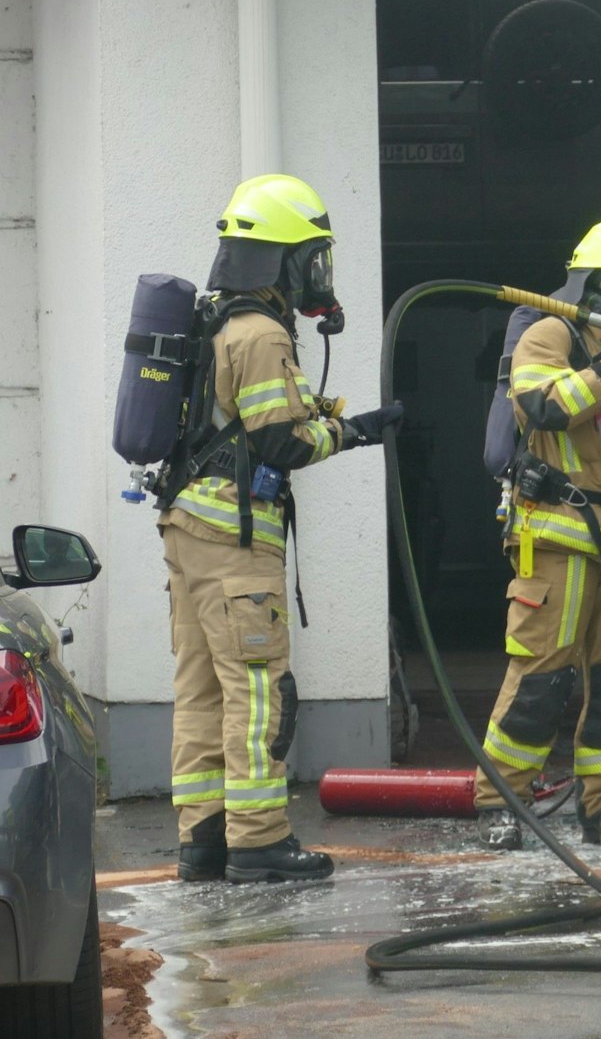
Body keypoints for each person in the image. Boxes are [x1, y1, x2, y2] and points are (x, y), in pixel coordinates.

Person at [163, 174, 403, 884]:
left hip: (188, 530)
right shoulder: (263, 332)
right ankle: (260, 842)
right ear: (281, 258)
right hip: (236, 543)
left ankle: (203, 840)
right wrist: (354, 432)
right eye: (312, 257)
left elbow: (250, 422)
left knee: (202, 689)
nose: (318, 274)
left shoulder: (221, 323)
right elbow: (280, 444)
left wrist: (320, 414)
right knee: (261, 690)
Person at [474, 217, 601, 852]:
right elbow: (542, 405)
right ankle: (501, 802)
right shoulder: (550, 333)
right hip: (558, 536)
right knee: (541, 676)